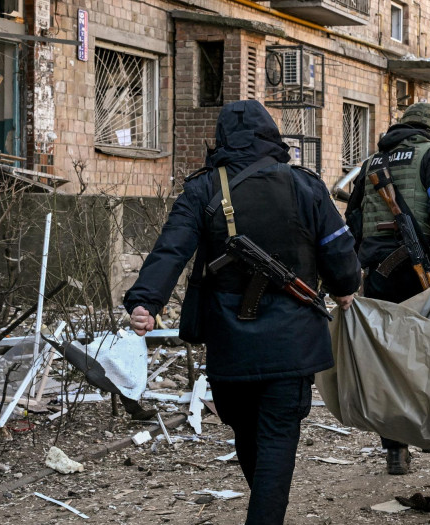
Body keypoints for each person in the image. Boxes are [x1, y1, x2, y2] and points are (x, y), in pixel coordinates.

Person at [124, 100, 361, 525]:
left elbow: (171, 249)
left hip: (230, 342)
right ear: (272, 136)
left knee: (249, 435)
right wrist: (345, 289)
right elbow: (339, 253)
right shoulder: (305, 186)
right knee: (276, 440)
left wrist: (146, 301)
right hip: (292, 342)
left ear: (221, 140)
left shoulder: (203, 189)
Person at [343, 102, 430, 475]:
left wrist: (352, 270)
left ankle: (395, 449)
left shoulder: (372, 162)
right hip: (420, 271)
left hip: (377, 274)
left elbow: (353, 218)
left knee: (389, 359)